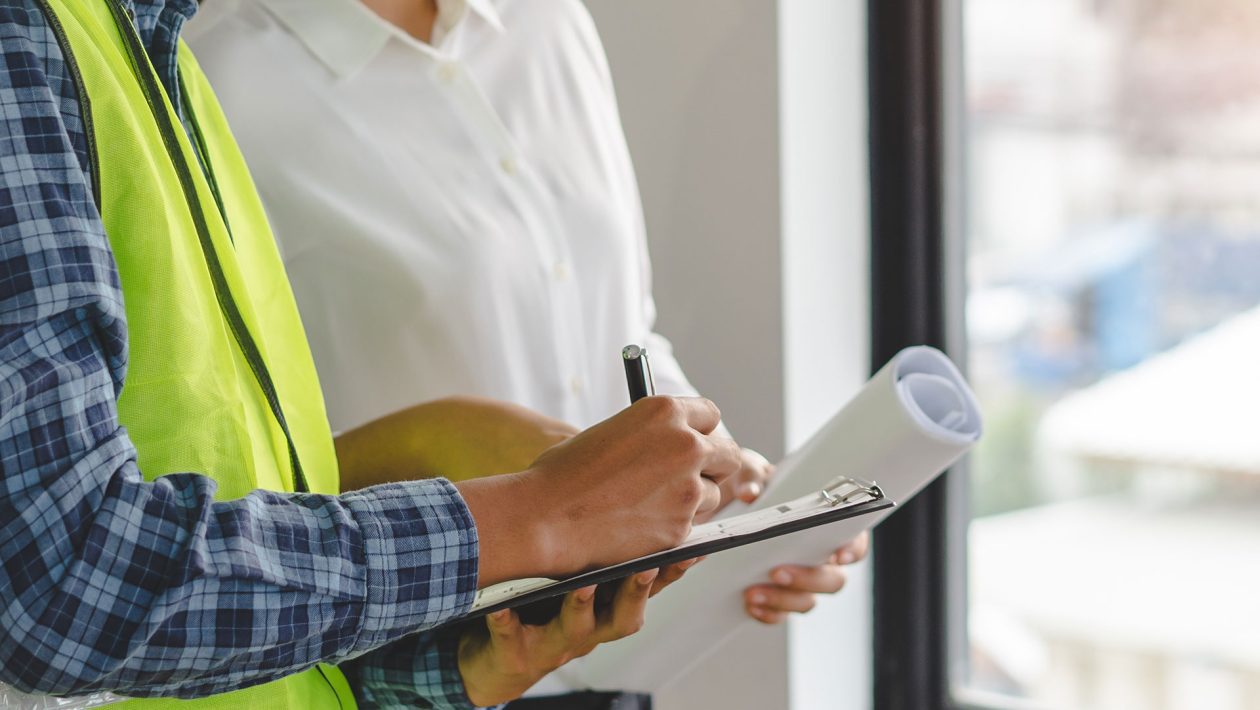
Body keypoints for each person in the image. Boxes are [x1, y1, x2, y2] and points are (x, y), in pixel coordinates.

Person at [0, 1, 743, 708]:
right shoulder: (192, 60)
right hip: (455, 593)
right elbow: (62, 587)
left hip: (476, 640)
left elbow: (236, 458)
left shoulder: (155, 47)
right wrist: (535, 513)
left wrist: (456, 669)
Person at [185, 0, 870, 704]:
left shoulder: (550, 20)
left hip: (610, 660)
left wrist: (727, 490)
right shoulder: (217, 75)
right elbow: (229, 453)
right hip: (414, 673)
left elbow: (624, 328)